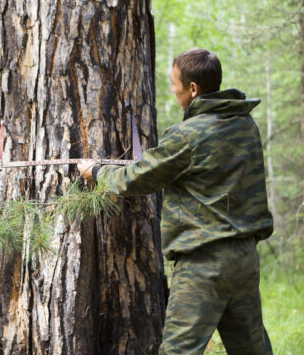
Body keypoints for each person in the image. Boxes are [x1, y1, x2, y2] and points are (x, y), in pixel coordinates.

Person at [78, 48, 274, 355]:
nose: (172, 90)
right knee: (251, 350)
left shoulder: (189, 134)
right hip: (245, 258)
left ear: (192, 89)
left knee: (179, 351)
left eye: (174, 83)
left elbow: (138, 178)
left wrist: (97, 173)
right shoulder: (245, 124)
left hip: (203, 262)